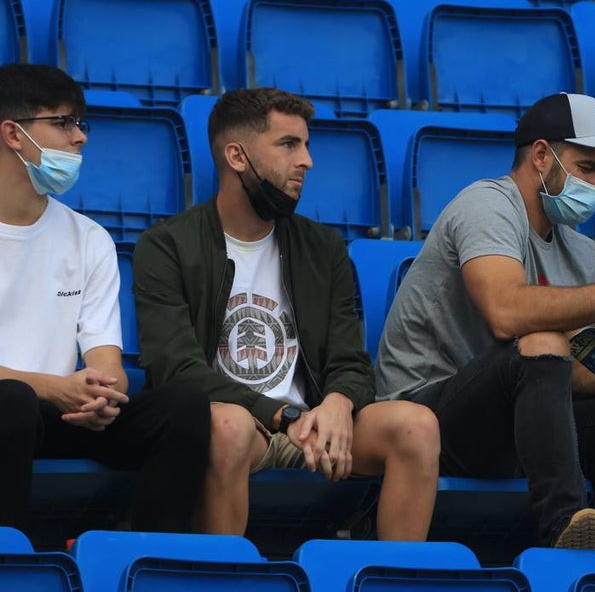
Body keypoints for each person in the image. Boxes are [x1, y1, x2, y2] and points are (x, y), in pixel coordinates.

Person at [376, 92, 595, 550]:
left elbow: (565, 377)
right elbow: (506, 314)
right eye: (587, 169)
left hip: (522, 426)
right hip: (428, 416)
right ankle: (564, 529)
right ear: (541, 155)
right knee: (542, 339)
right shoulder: (486, 204)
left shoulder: (581, 250)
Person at [134, 88, 440, 538]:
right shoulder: (167, 246)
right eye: (288, 144)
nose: (307, 161)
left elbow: (350, 362)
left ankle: (395, 577)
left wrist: (337, 403)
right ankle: (218, 578)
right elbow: (176, 370)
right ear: (237, 156)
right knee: (228, 426)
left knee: (417, 425)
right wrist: (282, 417)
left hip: (313, 424)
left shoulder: (323, 247)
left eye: (306, 145)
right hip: (241, 424)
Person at [0, 63, 210, 533]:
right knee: (10, 401)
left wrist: (104, 394)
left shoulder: (89, 237)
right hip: (10, 409)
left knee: (184, 409)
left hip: (63, 411)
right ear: (13, 134)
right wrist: (53, 387)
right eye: (62, 123)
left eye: (80, 123)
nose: (80, 138)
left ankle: (146, 560)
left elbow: (105, 357)